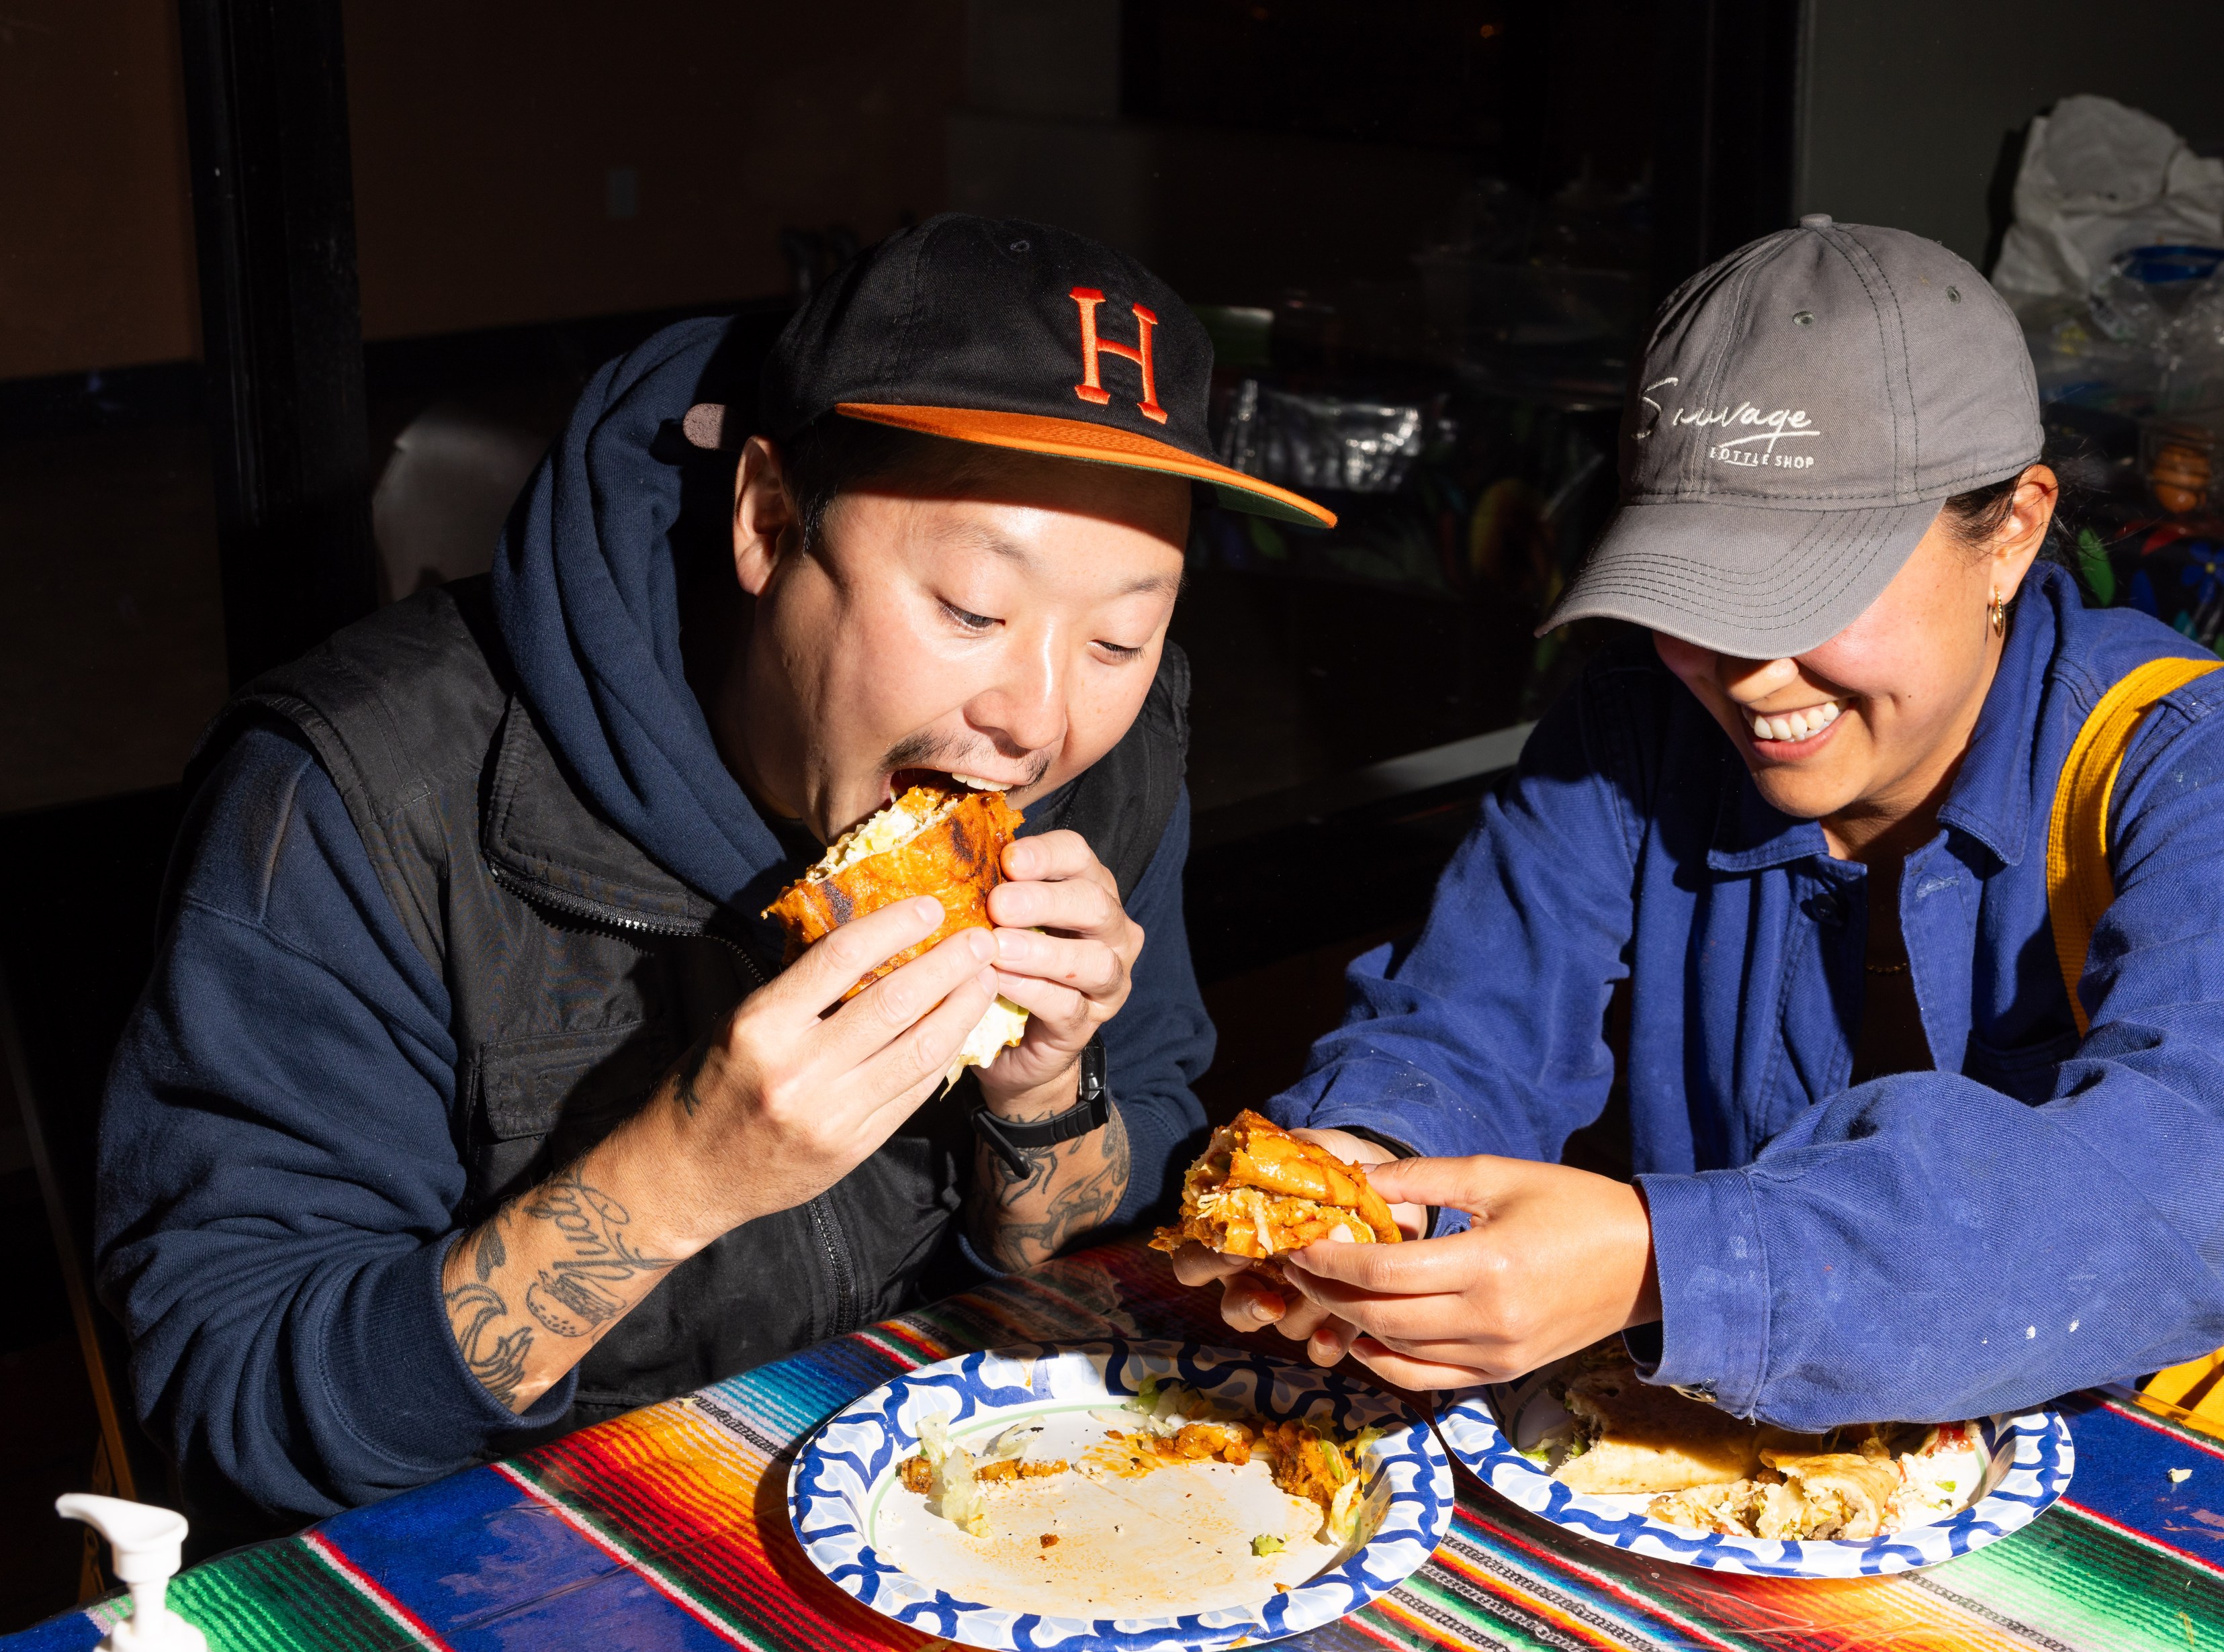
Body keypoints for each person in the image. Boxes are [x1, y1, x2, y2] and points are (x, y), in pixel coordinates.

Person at [96, 215, 1334, 1524]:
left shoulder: (1108, 773)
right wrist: (678, 1177)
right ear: (767, 517)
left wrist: (1043, 1099)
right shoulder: (361, 795)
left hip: (962, 1526)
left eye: (1121, 638)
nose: (1036, 720)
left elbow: (1104, 1274)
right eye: (973, 611)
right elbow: (232, 1407)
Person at [1175, 217, 2224, 1426]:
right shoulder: (1634, 732)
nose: (1747, 674)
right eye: (1693, 591)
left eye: (1812, 589)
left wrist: (1668, 1259)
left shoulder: (2221, 761)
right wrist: (1359, 1183)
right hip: (1724, 1473)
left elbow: (2197, 1187)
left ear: (2011, 530)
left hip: (2148, 1467)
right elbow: (1463, 1030)